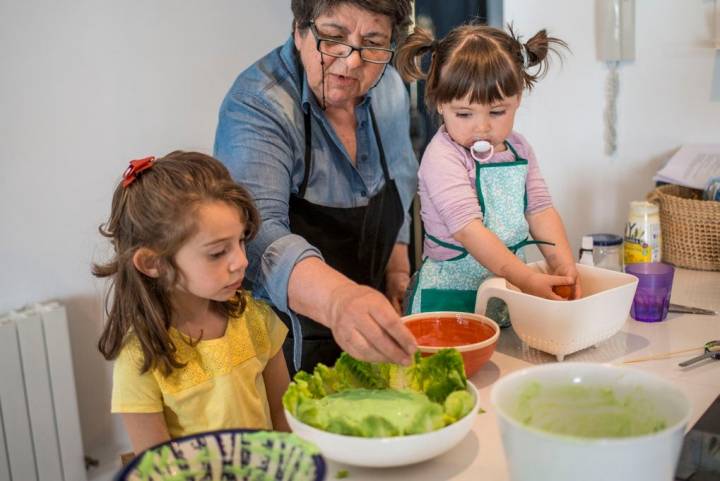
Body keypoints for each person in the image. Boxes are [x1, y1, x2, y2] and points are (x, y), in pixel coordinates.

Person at [214, 0, 418, 375]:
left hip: (369, 314)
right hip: (284, 340)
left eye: (373, 43)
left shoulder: (390, 88)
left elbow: (402, 177)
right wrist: (340, 300)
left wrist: (397, 269)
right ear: (300, 30)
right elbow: (260, 237)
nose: (352, 61)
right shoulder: (258, 105)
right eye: (332, 37)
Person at [94, 152, 290, 453]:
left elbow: (284, 418)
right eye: (217, 253)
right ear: (153, 262)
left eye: (241, 241)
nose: (241, 261)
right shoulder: (140, 358)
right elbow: (158, 467)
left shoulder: (256, 320)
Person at [395, 24, 581, 322]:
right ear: (441, 103)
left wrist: (563, 265)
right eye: (464, 114)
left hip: (504, 295)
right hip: (448, 303)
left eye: (497, 112)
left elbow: (541, 210)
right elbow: (469, 230)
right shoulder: (442, 157)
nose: (482, 127)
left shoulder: (520, 149)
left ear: (517, 98)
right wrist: (527, 278)